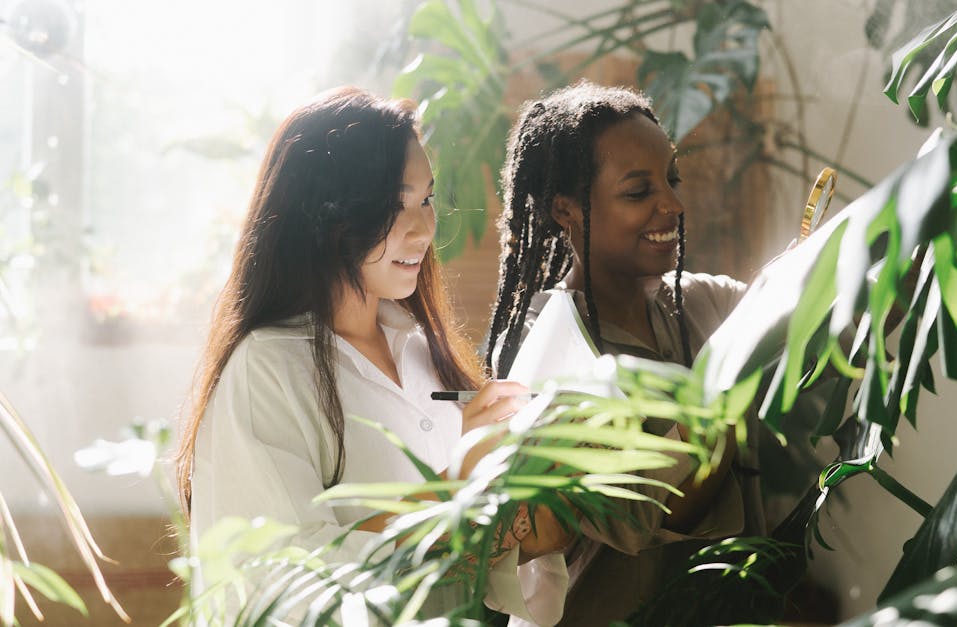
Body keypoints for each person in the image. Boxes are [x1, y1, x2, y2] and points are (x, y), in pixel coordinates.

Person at [174, 86, 569, 624]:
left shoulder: (423, 350)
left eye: (426, 199)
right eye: (392, 205)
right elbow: (279, 582)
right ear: (323, 215)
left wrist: (524, 490)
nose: (424, 228)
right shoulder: (267, 367)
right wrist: (457, 488)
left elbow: (484, 570)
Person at [486, 81, 764, 626]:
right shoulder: (556, 350)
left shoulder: (701, 303)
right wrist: (725, 392)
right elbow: (651, 510)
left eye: (672, 180)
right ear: (567, 210)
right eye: (639, 192)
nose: (674, 204)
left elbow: (828, 315)